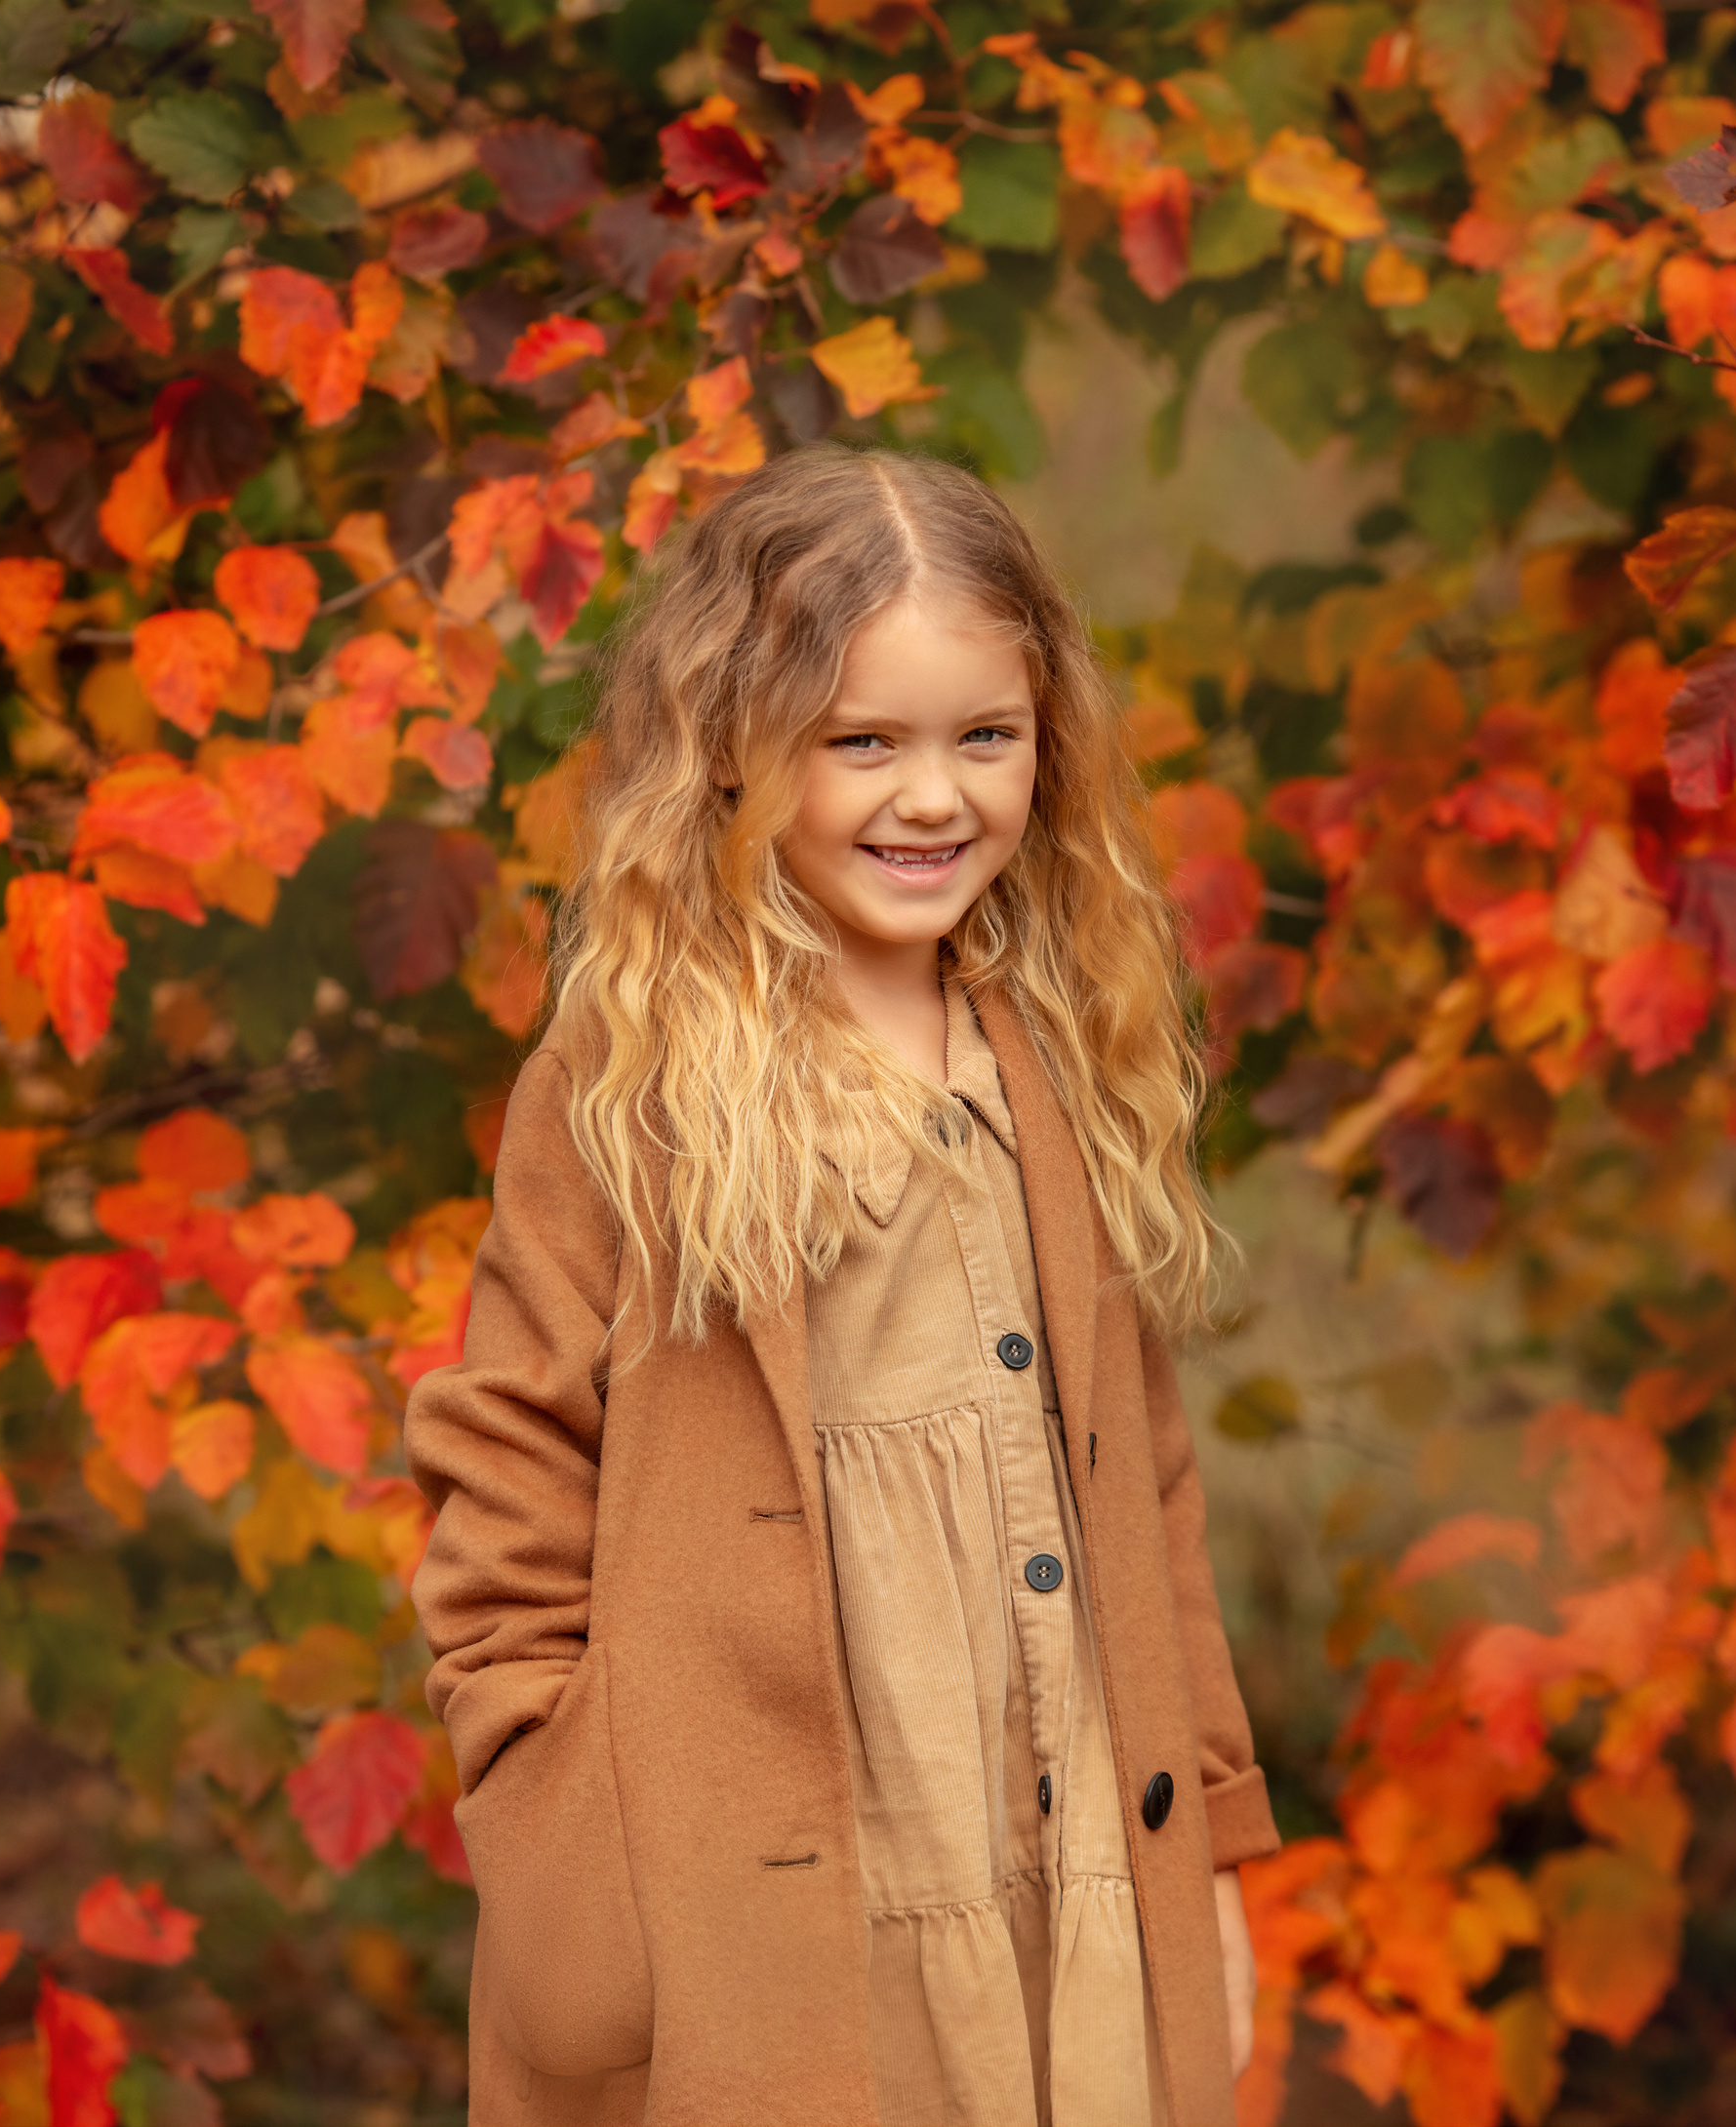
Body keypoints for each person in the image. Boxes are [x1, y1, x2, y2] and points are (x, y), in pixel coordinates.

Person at [405, 443, 1277, 2127]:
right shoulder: (633, 1086)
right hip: (767, 1898)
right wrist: (561, 1836)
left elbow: (1145, 1493)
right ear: (735, 750)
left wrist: (1214, 1856)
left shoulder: (1053, 1047)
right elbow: (501, 1497)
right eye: (860, 742)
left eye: (985, 739)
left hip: (1066, 1854)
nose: (933, 796)